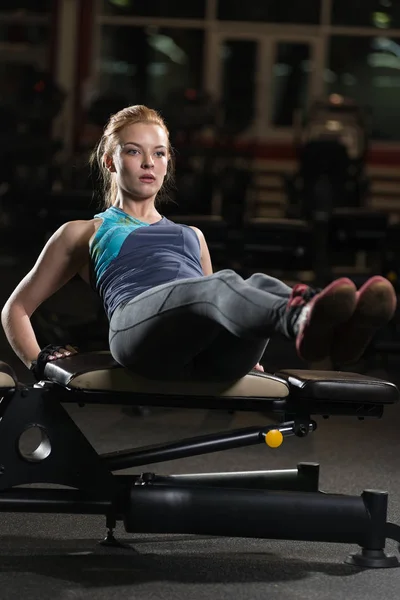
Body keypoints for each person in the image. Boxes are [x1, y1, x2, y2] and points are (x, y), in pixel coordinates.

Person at [1, 105, 397, 383]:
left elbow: (214, 303)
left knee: (256, 283)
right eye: (134, 152)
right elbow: (16, 308)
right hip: (139, 336)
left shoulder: (193, 236)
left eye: (159, 153)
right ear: (110, 161)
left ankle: (340, 333)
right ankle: (304, 317)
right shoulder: (84, 231)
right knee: (227, 283)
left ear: (168, 161)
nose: (148, 163)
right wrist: (39, 362)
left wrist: (244, 329)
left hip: (208, 357)